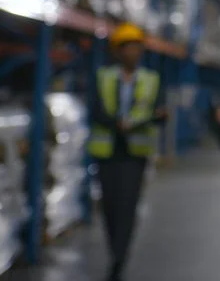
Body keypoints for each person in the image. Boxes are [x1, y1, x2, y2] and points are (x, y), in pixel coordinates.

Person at [87, 22, 168, 281]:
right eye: (129, 48)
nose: (134, 53)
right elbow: (96, 110)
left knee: (128, 206)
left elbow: (159, 113)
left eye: (137, 48)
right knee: (110, 206)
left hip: (135, 153)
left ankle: (120, 258)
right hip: (108, 152)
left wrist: (151, 118)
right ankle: (115, 251)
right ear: (118, 51)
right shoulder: (103, 77)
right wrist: (116, 124)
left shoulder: (151, 80)